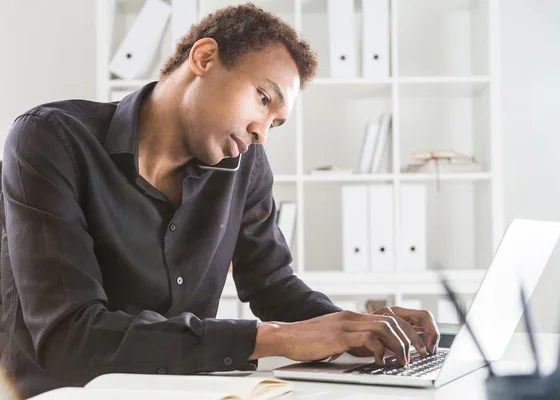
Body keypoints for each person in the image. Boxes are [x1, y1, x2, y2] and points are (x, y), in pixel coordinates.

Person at [0, 4, 440, 398]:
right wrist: (275, 338)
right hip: (62, 392)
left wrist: (355, 330)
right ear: (204, 58)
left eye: (276, 122)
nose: (261, 132)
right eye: (263, 98)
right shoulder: (50, 138)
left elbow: (272, 285)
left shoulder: (246, 165)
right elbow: (70, 339)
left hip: (183, 390)